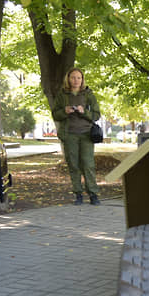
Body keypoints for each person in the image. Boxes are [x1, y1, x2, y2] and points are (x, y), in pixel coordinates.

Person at [52, 67, 101, 205]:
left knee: (88, 164)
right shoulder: (62, 95)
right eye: (73, 77)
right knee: (73, 165)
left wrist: (83, 111)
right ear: (68, 79)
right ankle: (78, 194)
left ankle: (93, 194)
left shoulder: (88, 94)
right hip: (69, 135)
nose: (76, 80)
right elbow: (55, 114)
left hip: (86, 134)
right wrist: (65, 111)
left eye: (79, 78)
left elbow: (96, 115)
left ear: (82, 79)